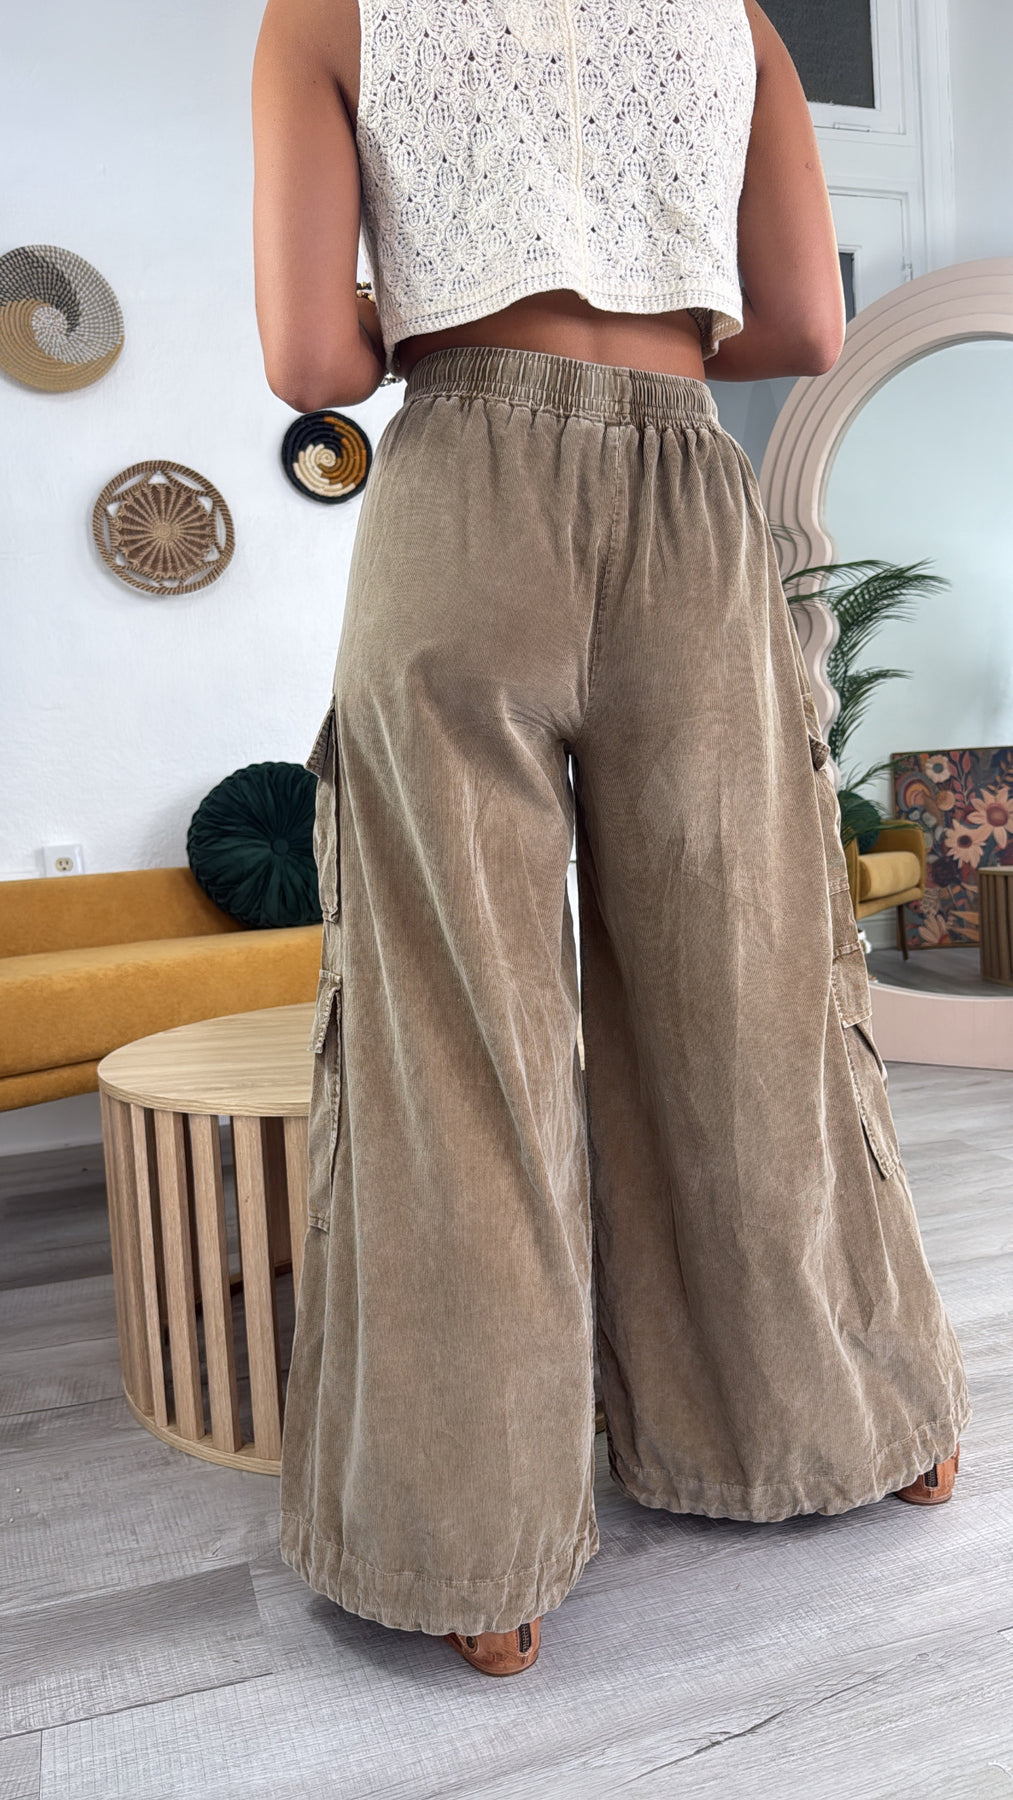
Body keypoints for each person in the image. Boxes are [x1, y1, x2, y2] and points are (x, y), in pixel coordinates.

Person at [251, 0, 970, 1678]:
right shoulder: (736, 21)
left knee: (453, 1040)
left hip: (459, 499)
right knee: (748, 997)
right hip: (681, 507)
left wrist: (437, 305)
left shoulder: (324, 11)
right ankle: (833, 1427)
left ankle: (469, 1552)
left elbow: (310, 369)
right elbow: (800, 320)